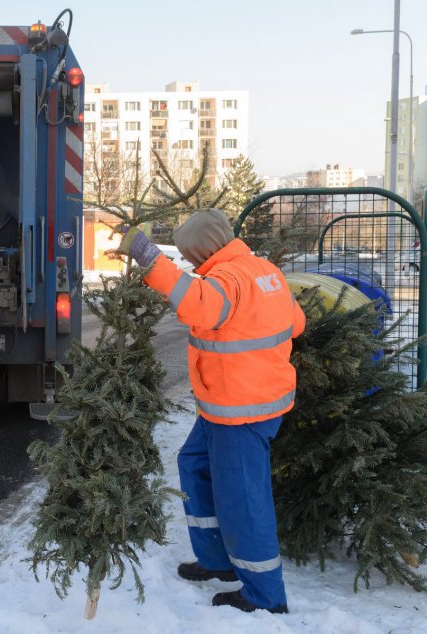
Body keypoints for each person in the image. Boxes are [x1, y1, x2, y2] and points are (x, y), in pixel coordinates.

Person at [116, 209, 305, 614]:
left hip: (241, 410)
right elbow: (297, 323)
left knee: (243, 499)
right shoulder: (262, 269)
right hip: (232, 404)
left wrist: (148, 256)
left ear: (204, 250)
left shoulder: (226, 279)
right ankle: (217, 560)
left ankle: (264, 594)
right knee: (194, 464)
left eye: (191, 256)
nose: (191, 264)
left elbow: (198, 305)